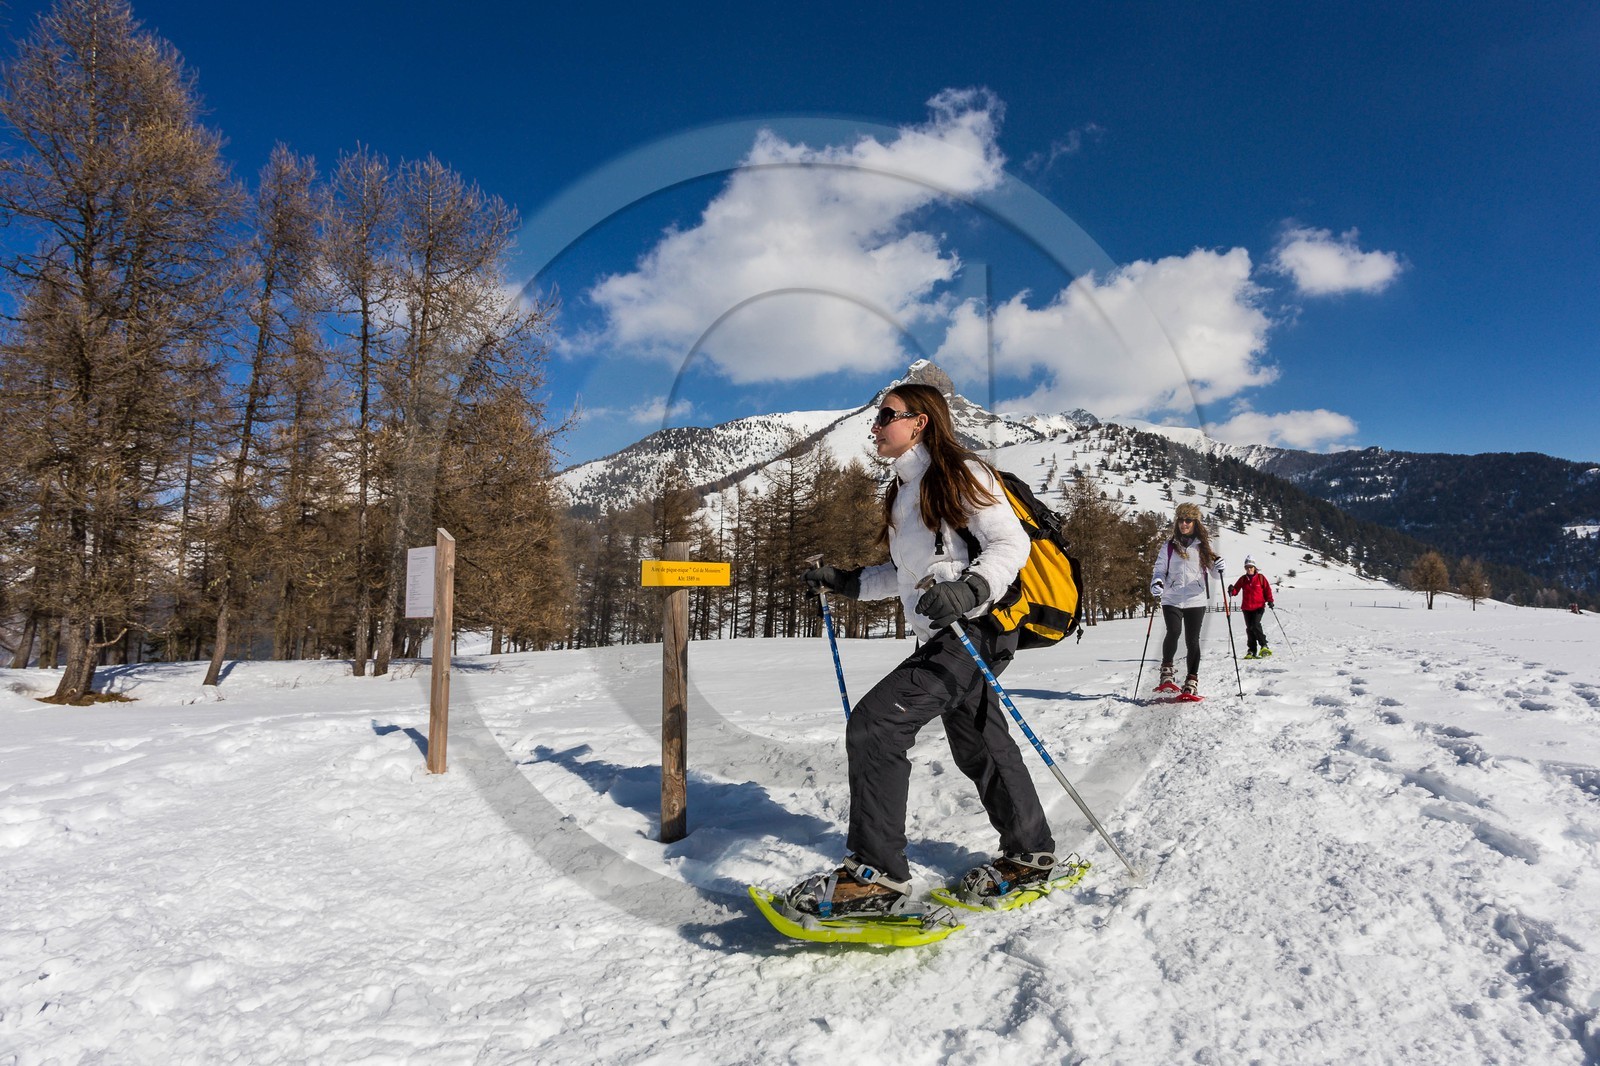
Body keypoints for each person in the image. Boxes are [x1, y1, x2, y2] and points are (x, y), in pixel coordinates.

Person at [795, 383, 1057, 917]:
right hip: (946, 633)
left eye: (886, 415)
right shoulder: (901, 492)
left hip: (978, 627)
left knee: (877, 724)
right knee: (980, 741)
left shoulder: (959, 473)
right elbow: (904, 573)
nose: (876, 426)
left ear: (920, 421)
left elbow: (1012, 543)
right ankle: (1029, 852)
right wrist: (848, 582)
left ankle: (875, 878)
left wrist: (972, 588)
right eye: (876, 416)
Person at [1150, 502, 1224, 699]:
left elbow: (1215, 574)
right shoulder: (1169, 546)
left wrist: (1219, 566)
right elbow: (1159, 569)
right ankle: (1166, 673)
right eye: (1181, 520)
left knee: (1192, 640)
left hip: (1195, 599)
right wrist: (1157, 582)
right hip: (1171, 597)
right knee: (1173, 631)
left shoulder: (1203, 547)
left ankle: (1191, 680)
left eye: (1188, 520)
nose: (1184, 524)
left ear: (1195, 523)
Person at [1229, 556, 1276, 659]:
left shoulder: (1261, 578)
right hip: (1246, 608)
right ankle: (1252, 651)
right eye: (1247, 567)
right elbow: (1235, 591)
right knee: (1249, 629)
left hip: (1259, 606)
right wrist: (1232, 590)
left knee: (1255, 625)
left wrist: (1270, 601)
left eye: (1251, 567)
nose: (1249, 569)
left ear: (1255, 568)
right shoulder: (1242, 579)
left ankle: (1264, 645)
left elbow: (1267, 590)